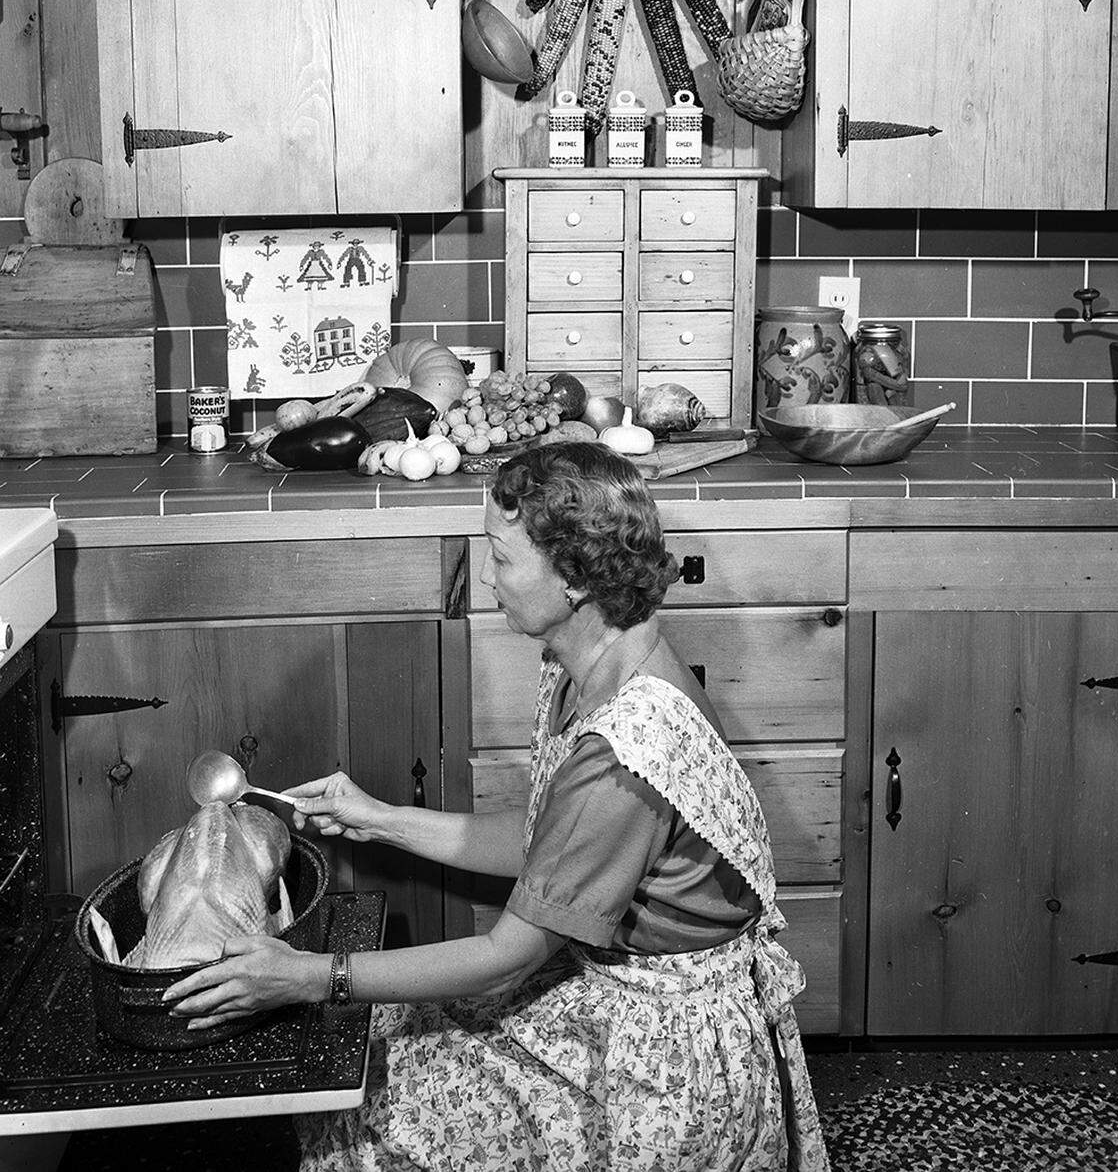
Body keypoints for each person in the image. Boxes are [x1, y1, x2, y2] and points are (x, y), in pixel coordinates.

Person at [164, 441, 831, 1171]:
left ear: (574, 576)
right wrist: (378, 817)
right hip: (614, 985)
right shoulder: (594, 658)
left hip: (663, 1057)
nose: (486, 575)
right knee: (377, 1044)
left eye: (502, 556)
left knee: (371, 1107)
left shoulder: (624, 752)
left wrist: (310, 973)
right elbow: (549, 842)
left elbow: (505, 956)